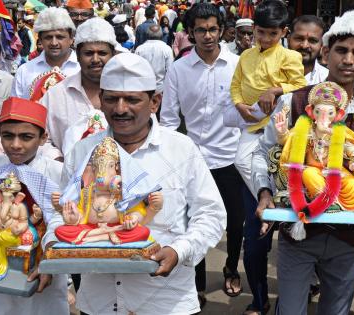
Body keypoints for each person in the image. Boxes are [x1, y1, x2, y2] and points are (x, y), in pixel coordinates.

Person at [44, 52, 226, 315]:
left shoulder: (181, 148)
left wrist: (178, 251)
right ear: (100, 101)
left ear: (154, 102)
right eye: (111, 99)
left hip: (168, 302)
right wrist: (53, 244)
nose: (120, 109)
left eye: (131, 100)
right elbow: (62, 213)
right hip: (100, 303)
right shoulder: (82, 151)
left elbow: (211, 214)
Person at [252, 8, 354, 315]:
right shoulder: (295, 101)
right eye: (341, 51)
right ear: (325, 53)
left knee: (336, 310)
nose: (348, 60)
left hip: (351, 235)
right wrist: (265, 193)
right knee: (290, 310)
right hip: (300, 230)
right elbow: (263, 153)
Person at [161, 3, 243, 307]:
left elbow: (249, 114)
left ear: (221, 30)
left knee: (236, 223)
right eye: (200, 30)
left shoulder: (238, 65)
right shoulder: (178, 69)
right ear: (190, 33)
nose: (207, 36)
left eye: (212, 29)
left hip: (231, 158)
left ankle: (232, 268)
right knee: (193, 224)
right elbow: (169, 118)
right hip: (193, 161)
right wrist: (172, 157)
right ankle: (195, 284)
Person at [0, 97, 68, 315]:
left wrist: (50, 263)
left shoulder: (57, 172)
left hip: (42, 267)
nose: (15, 145)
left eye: (26, 137)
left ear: (43, 137)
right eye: (7, 136)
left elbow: (64, 221)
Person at [230, 0, 306, 195]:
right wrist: (239, 104)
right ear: (254, 29)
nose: (265, 38)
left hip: (278, 126)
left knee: (275, 164)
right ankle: (266, 199)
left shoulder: (290, 57)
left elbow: (301, 86)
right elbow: (236, 84)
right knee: (240, 162)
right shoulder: (246, 55)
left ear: (284, 32)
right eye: (261, 32)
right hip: (251, 122)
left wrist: (275, 90)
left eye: (273, 33)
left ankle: (277, 198)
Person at [40, 17, 116, 156]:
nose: (95, 60)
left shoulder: (128, 94)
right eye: (88, 53)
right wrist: (60, 162)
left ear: (113, 55)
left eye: (102, 53)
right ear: (78, 56)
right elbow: (40, 139)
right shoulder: (55, 95)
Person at [12, 7, 80, 100]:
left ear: (71, 39)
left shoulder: (83, 69)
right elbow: (15, 109)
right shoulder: (24, 71)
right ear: (40, 39)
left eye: (60, 37)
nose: (54, 43)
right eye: (48, 37)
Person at [287, 15, 328, 85]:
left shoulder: (327, 78)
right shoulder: (270, 71)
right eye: (299, 39)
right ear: (288, 40)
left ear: (322, 45)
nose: (304, 46)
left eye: (312, 41)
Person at [135, 24, 173, 93]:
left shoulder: (139, 49)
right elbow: (170, 70)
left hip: (144, 88)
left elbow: (136, 70)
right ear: (161, 35)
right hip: (161, 89)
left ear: (147, 34)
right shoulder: (167, 49)